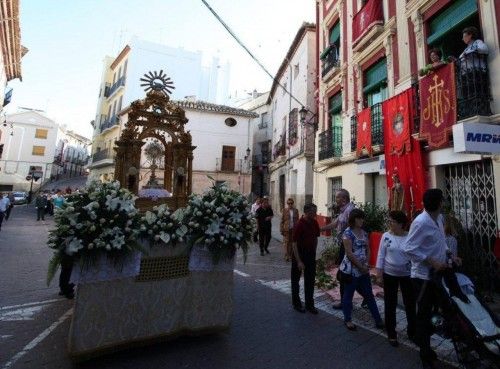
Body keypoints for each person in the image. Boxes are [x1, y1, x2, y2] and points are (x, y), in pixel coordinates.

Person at [403, 188, 461, 369]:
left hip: (439, 275)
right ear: (438, 203)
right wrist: (431, 261)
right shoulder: (420, 222)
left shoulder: (440, 219)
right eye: (442, 200)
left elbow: (440, 242)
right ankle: (426, 354)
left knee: (445, 308)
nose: (444, 203)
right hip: (423, 278)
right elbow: (409, 248)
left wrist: (451, 255)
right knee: (424, 315)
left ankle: (448, 339)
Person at [376, 211, 416, 347]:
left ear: (400, 224)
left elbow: (414, 255)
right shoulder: (386, 236)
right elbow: (381, 255)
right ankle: (391, 332)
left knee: (410, 304)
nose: (390, 223)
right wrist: (379, 274)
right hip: (389, 274)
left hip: (407, 275)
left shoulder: (410, 237)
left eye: (392, 221)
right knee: (390, 303)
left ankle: (412, 331)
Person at [340, 208, 384, 330]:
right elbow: (349, 253)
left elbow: (368, 249)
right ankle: (347, 319)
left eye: (362, 218)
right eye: (359, 218)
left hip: (363, 269)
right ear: (353, 220)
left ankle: (378, 319)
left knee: (369, 294)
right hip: (350, 270)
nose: (362, 220)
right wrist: (361, 266)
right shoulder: (347, 234)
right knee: (348, 295)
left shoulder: (364, 233)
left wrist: (366, 263)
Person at [320, 189, 356, 309]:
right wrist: (320, 229)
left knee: (344, 274)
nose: (335, 200)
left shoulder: (350, 211)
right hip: (343, 245)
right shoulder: (343, 210)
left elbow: (352, 230)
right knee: (344, 274)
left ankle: (346, 302)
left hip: (347, 246)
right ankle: (346, 300)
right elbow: (335, 224)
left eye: (337, 198)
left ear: (344, 199)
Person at [291, 203, 320, 314]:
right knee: (295, 280)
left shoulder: (314, 222)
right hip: (299, 254)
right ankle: (296, 303)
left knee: (310, 280)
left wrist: (314, 252)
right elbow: (294, 243)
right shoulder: (299, 224)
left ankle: (309, 304)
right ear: (307, 212)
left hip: (310, 254)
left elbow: (316, 238)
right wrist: (299, 261)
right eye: (313, 212)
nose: (315, 214)